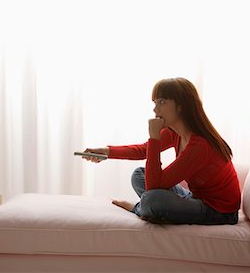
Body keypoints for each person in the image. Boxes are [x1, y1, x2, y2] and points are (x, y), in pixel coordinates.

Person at [82, 77, 240, 225]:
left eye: (162, 102)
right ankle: (151, 210)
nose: (155, 109)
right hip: (195, 198)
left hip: (219, 211)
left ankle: (140, 208)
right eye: (155, 102)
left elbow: (153, 186)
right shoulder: (174, 133)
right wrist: (107, 152)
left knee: (153, 200)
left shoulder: (200, 145)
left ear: (181, 106)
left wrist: (154, 137)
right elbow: (143, 150)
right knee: (139, 174)